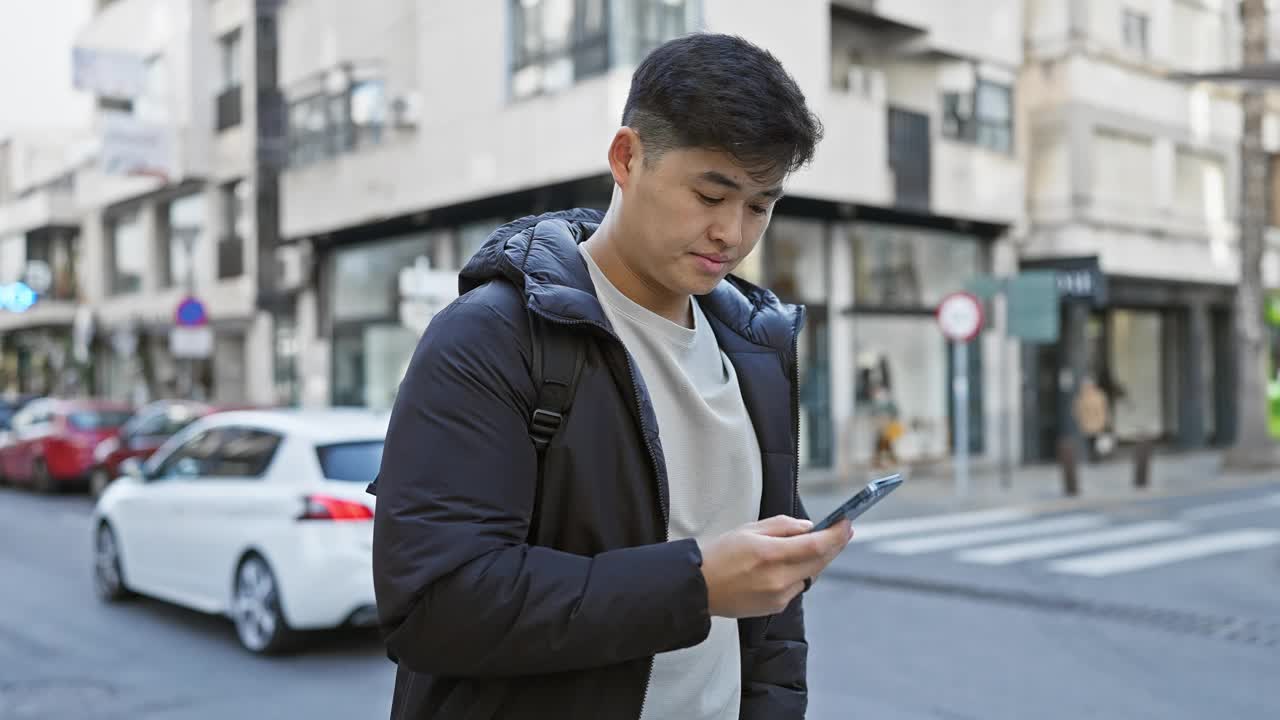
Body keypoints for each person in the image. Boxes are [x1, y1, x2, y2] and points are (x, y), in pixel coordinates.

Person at [371, 33, 852, 720]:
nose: (732, 233)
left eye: (759, 204)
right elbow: (435, 606)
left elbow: (771, 628)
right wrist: (693, 586)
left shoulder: (756, 350)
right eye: (710, 193)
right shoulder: (492, 337)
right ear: (627, 157)